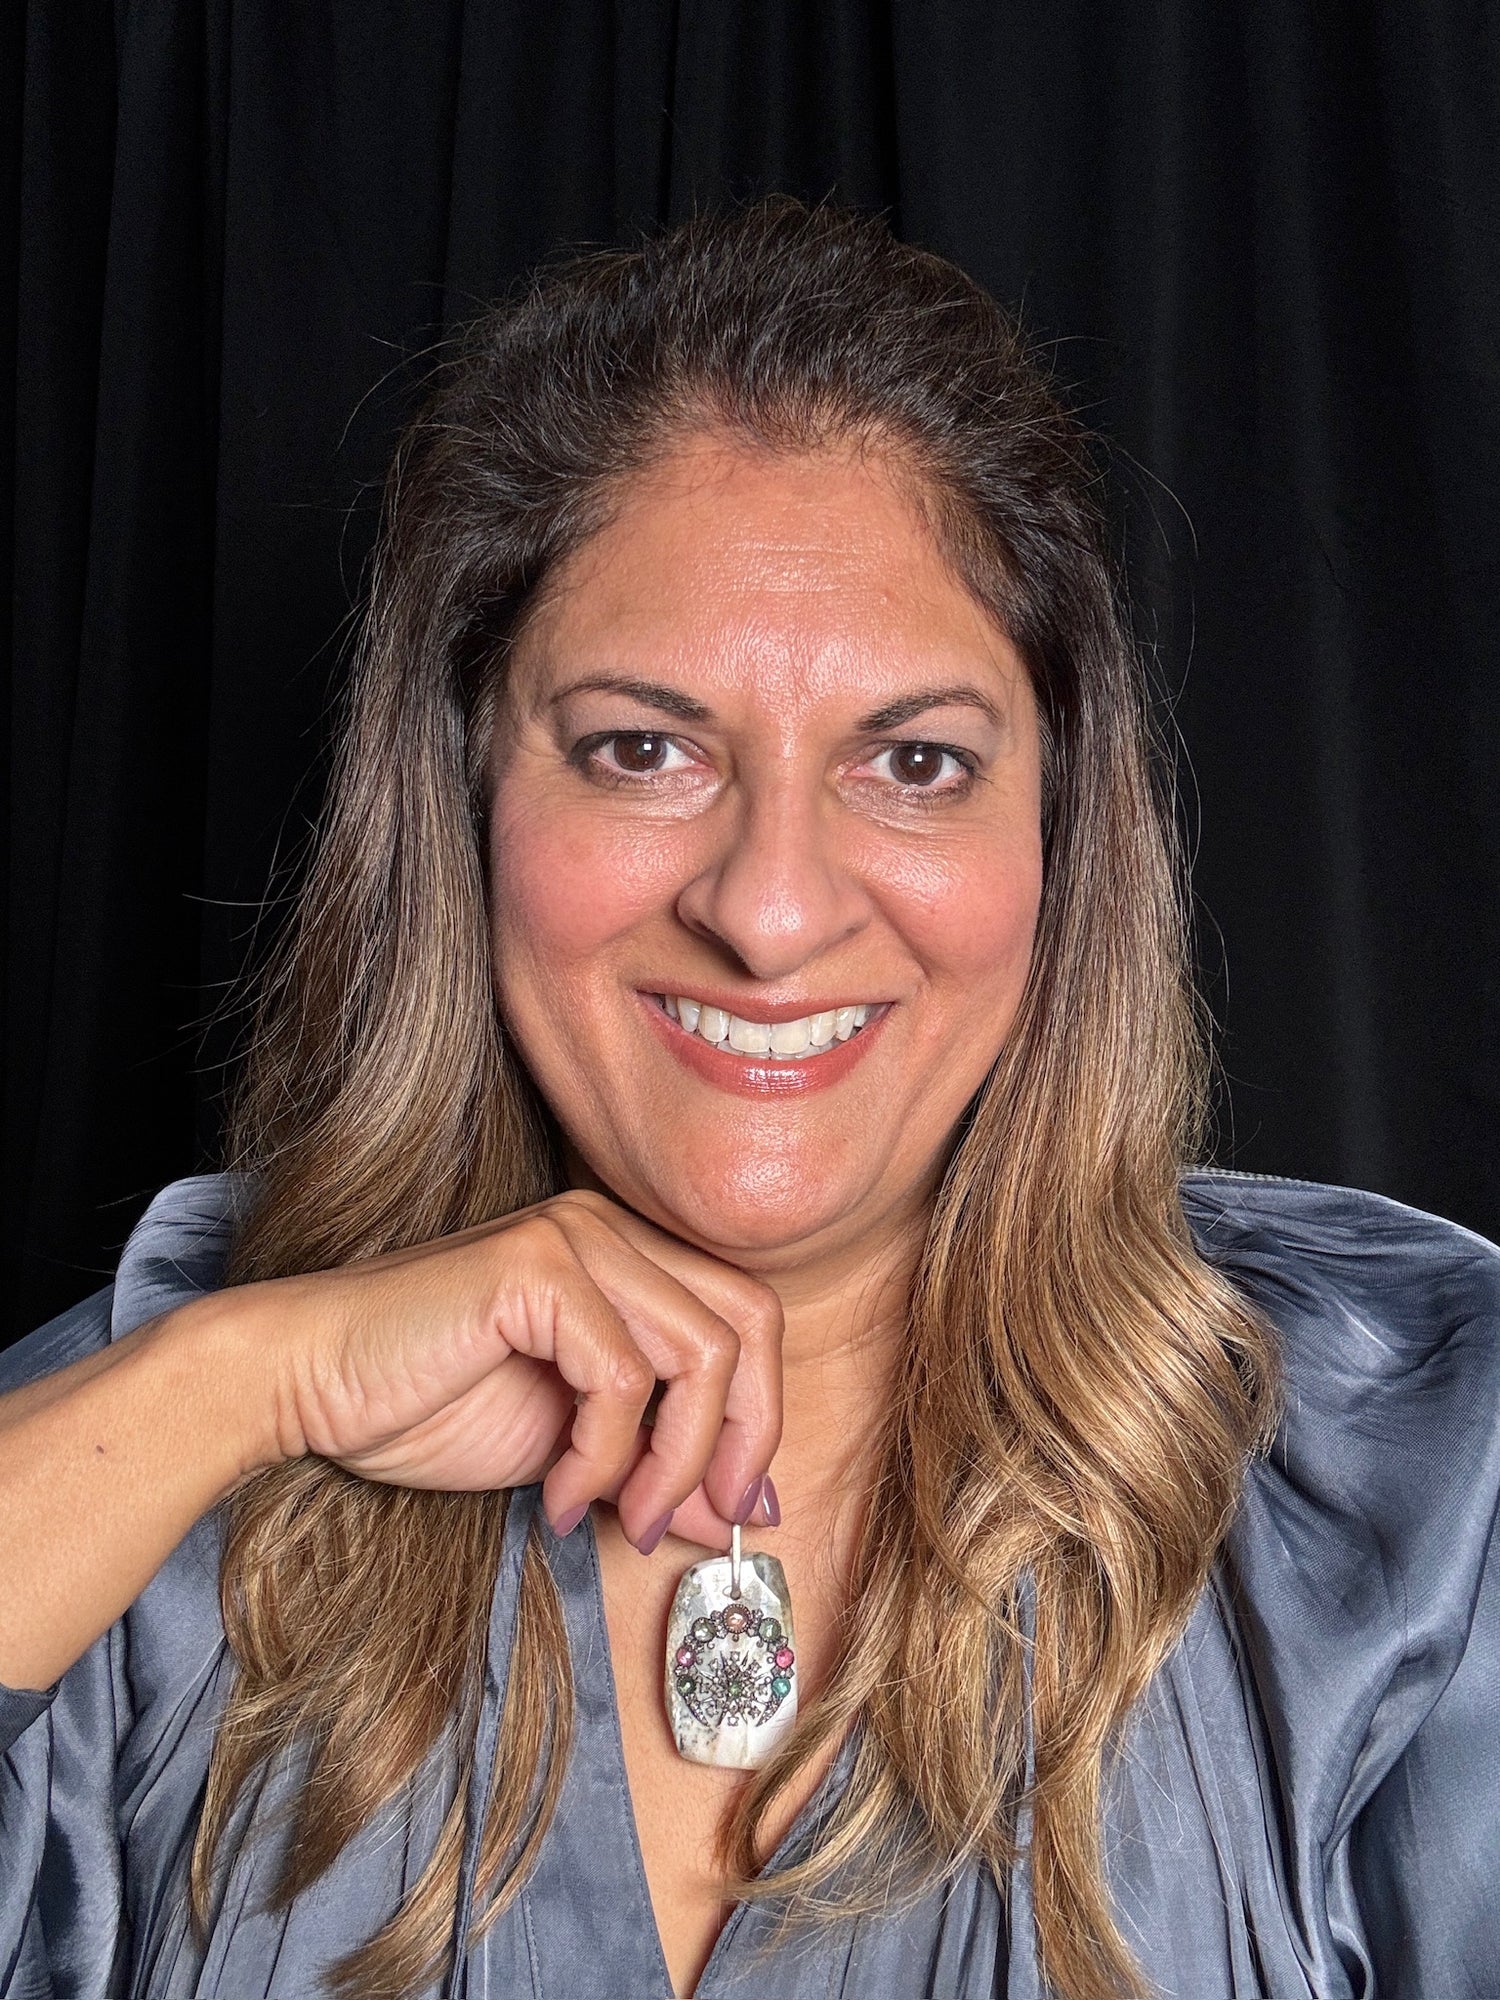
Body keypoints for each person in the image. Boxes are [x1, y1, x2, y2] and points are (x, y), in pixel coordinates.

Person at [0, 199, 1495, 2000]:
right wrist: (246, 1380)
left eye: (915, 762)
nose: (771, 910)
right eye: (645, 749)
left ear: (1059, 829)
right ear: (469, 794)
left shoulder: (1410, 1487)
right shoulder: (146, 1455)